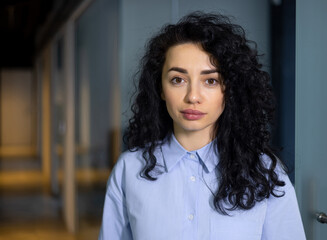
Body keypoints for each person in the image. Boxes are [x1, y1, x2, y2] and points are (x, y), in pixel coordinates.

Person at [99, 12, 306, 240]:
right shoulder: (130, 169)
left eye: (210, 81)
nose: (193, 96)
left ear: (229, 90)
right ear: (160, 88)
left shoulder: (264, 171)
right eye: (178, 80)